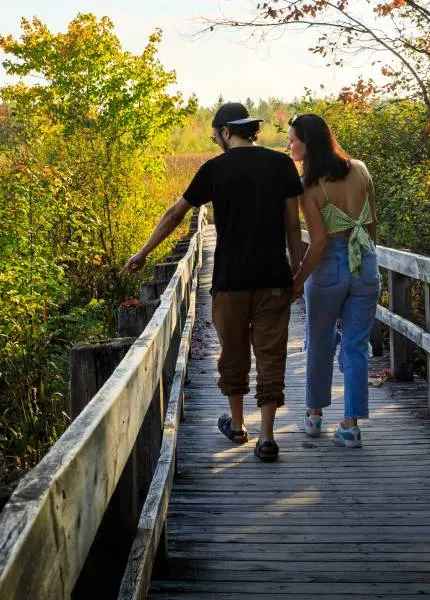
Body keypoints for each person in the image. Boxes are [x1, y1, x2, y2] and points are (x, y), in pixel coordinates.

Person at [122, 102, 303, 462]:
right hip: (273, 278)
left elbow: (176, 213)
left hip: (230, 279)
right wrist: (297, 275)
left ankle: (237, 425)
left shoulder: (214, 169)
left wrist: (143, 252)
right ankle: (266, 436)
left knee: (233, 352)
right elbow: (293, 226)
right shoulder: (281, 164)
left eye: (214, 134)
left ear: (224, 132)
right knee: (271, 355)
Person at [287, 113, 379, 448]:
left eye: (292, 139)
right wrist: (368, 259)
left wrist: (298, 281)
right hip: (365, 261)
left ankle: (314, 416)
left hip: (329, 267)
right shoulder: (361, 169)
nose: (289, 145)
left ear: (307, 143)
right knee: (355, 346)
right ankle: (350, 426)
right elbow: (371, 226)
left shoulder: (308, 186)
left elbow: (319, 241)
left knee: (320, 340)